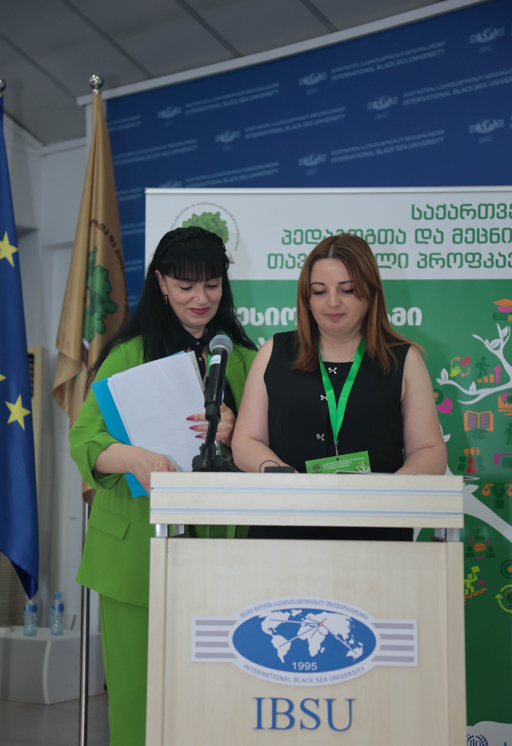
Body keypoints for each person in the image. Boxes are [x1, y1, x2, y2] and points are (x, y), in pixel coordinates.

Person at [70, 226, 256, 746]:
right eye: (185, 285)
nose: (201, 298)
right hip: (135, 557)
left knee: (213, 700)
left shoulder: (246, 358)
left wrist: (237, 432)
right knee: (138, 698)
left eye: (212, 285)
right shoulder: (129, 352)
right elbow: (84, 440)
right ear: (161, 283)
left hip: (223, 555)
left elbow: (269, 449)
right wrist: (137, 459)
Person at [232, 233, 447, 539]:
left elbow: (429, 449)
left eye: (347, 290)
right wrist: (281, 475)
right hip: (284, 525)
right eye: (319, 291)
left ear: (370, 292)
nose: (333, 302)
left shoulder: (403, 358)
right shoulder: (274, 351)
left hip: (376, 530)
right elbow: (245, 441)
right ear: (307, 298)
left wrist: (391, 491)